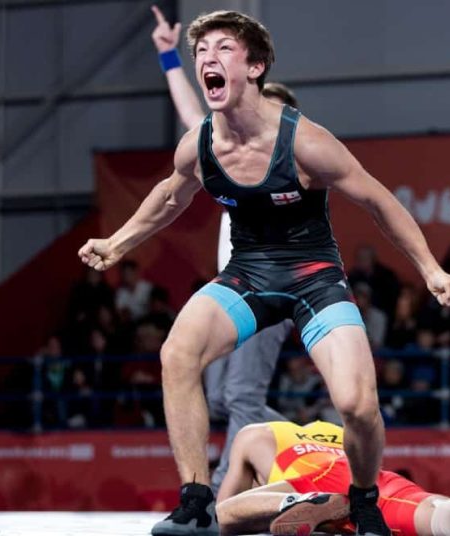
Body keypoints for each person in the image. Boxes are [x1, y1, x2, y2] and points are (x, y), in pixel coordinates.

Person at [79, 10, 450, 536]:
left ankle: (363, 499)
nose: (208, 58)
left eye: (223, 49)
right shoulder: (200, 144)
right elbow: (170, 196)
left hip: (314, 279)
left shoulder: (306, 142)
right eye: (201, 51)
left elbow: (378, 201)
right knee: (177, 354)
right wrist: (117, 243)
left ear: (256, 66)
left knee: (357, 405)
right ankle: (197, 500)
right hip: (248, 277)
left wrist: (431, 269)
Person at [151, 4, 294, 495]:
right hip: (231, 291)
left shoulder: (292, 162)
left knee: (241, 396)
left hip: (270, 291)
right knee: (216, 397)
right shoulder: (227, 152)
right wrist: (169, 57)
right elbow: (192, 116)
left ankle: (220, 491)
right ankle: (315, 439)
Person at [213, 419, 450, 536]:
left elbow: (221, 514)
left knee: (225, 514)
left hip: (313, 480)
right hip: (368, 480)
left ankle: (305, 503)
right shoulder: (330, 432)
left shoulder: (256, 435)